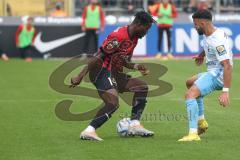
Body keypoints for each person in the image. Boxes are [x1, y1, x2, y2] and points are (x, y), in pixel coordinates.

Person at [70, 11, 155, 141]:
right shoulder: (119, 36)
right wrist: (80, 75)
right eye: (146, 29)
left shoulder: (134, 38)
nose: (146, 32)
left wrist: (137, 67)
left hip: (114, 72)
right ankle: (89, 131)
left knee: (141, 87)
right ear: (138, 24)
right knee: (113, 102)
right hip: (101, 71)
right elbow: (98, 57)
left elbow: (124, 60)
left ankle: (135, 124)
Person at [178, 9, 233, 142]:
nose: (194, 27)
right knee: (190, 82)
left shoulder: (217, 40)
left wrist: (225, 92)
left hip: (218, 75)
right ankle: (201, 121)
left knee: (190, 95)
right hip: (212, 71)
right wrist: (202, 55)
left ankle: (193, 133)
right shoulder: (209, 33)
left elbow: (228, 65)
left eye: (196, 24)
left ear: (203, 23)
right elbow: (208, 45)